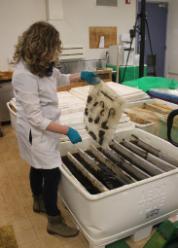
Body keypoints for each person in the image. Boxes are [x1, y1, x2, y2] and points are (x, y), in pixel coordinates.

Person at [12, 21, 100, 238]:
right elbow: (35, 118)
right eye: (54, 48)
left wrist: (82, 76)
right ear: (41, 47)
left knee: (37, 165)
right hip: (37, 130)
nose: (56, 53)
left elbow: (58, 78)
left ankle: (38, 200)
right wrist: (66, 129)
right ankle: (54, 219)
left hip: (46, 127)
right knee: (52, 173)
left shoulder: (43, 65)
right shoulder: (24, 74)